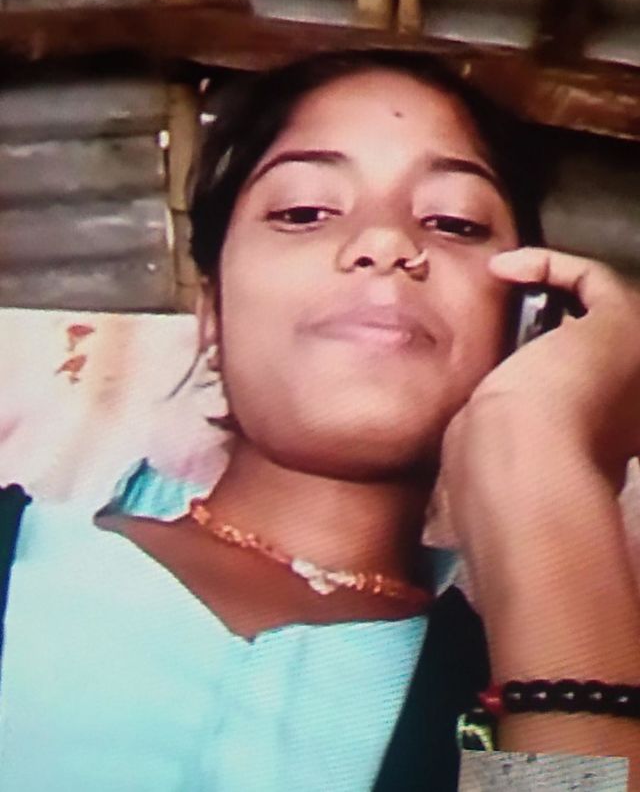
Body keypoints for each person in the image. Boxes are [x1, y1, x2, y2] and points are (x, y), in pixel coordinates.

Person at [1, 48, 640, 791]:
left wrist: (546, 464)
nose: (386, 243)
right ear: (212, 313)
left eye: (454, 222)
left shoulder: (515, 690)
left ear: (524, 321)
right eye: (303, 212)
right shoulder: (18, 551)